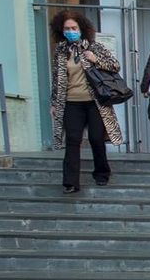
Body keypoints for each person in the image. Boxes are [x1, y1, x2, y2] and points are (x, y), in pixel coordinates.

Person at [50, 11, 123, 195]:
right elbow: (56, 79)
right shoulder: (60, 51)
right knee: (73, 140)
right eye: (67, 28)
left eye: (74, 28)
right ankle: (70, 181)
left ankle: (102, 173)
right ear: (61, 30)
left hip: (95, 102)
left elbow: (115, 65)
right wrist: (54, 102)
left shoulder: (94, 47)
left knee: (96, 138)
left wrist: (95, 59)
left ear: (82, 29)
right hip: (71, 102)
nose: (70, 31)